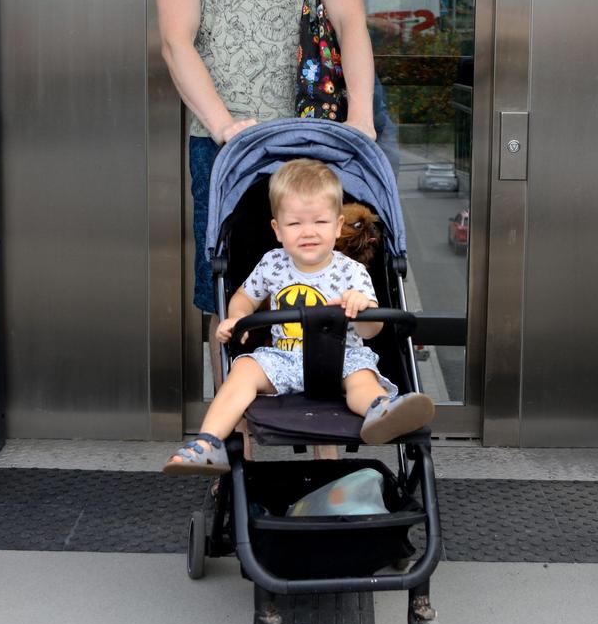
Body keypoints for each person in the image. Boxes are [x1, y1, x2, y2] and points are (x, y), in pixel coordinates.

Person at [148, 0, 376, 358]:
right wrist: (225, 125)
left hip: (315, 141)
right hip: (226, 146)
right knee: (228, 289)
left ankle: (324, 416)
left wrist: (362, 120)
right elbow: (177, 42)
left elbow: (351, 26)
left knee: (329, 280)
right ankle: (236, 430)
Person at [162, 159, 434, 475]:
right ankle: (209, 443)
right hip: (284, 358)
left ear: (337, 225)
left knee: (363, 378)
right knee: (244, 370)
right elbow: (243, 298)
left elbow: (372, 331)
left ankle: (380, 412)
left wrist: (361, 307)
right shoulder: (272, 264)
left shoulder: (352, 272)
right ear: (277, 229)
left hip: (341, 359)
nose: (308, 232)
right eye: (295, 224)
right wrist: (236, 318)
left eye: (319, 222)